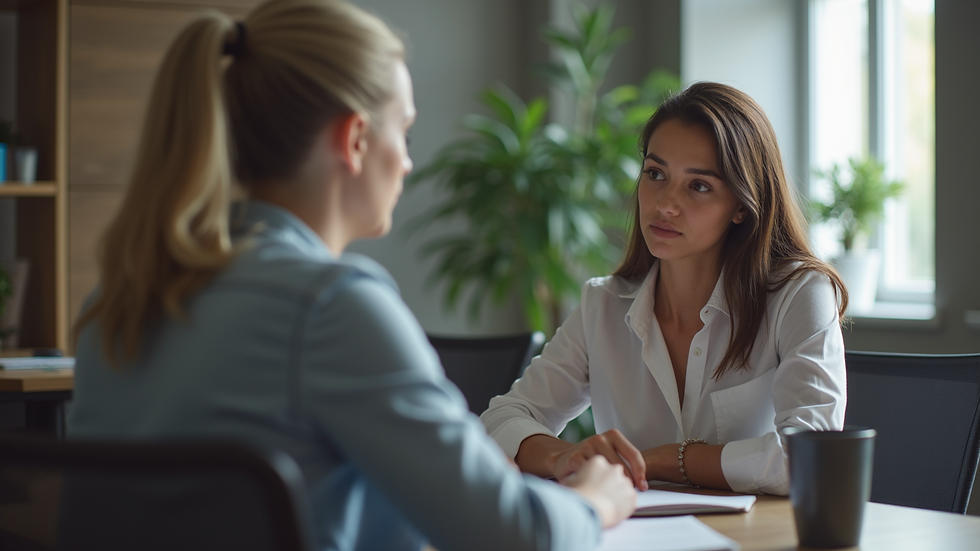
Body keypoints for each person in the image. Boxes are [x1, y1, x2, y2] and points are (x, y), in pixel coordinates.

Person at [67, 1, 636, 550]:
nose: (407, 162)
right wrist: (595, 500)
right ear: (355, 139)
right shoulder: (330, 306)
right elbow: (512, 535)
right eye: (403, 133)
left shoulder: (119, 300)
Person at [481, 82, 849, 496]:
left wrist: (663, 460)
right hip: (636, 528)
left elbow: (811, 455)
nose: (665, 204)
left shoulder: (799, 294)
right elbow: (502, 419)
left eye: (699, 185)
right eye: (655, 174)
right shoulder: (603, 304)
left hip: (758, 531)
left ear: (742, 206)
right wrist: (565, 457)